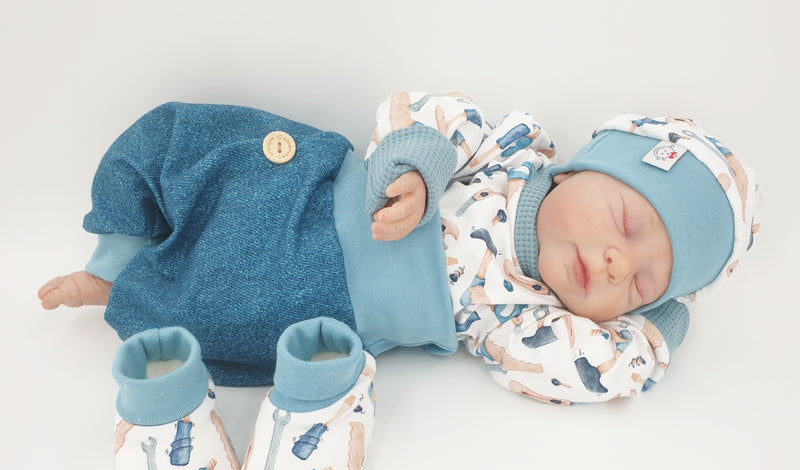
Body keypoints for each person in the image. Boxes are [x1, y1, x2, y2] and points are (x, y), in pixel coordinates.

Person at [38, 91, 763, 405]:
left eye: (640, 285)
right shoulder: (513, 153)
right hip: (312, 184)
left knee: (220, 306)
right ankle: (119, 239)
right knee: (192, 142)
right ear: (580, 168)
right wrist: (416, 169)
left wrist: (658, 327)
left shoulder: (529, 320)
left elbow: (594, 373)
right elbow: (434, 114)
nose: (616, 263)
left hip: (321, 297)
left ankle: (113, 286)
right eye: (627, 223)